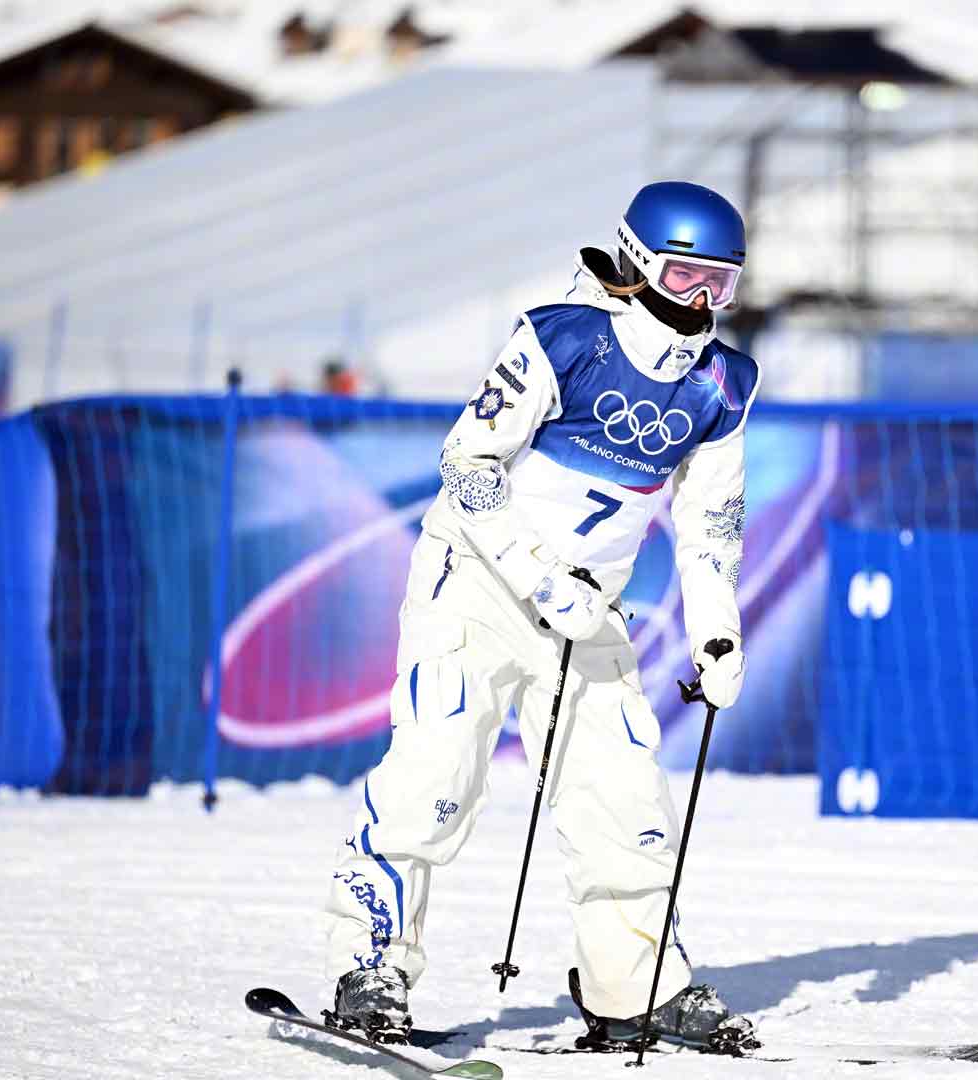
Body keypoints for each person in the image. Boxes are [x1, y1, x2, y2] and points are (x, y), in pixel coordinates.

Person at [320, 181, 759, 1054]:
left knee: (623, 793)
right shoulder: (563, 338)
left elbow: (709, 525)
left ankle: (635, 984)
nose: (703, 303)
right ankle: (370, 965)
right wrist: (532, 575)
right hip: (477, 583)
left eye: (722, 283)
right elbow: (468, 464)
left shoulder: (721, 384)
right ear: (638, 263)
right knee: (436, 774)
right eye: (685, 278)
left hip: (588, 613)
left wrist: (717, 629)